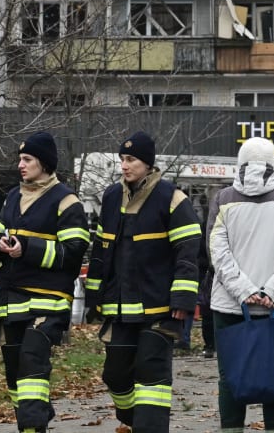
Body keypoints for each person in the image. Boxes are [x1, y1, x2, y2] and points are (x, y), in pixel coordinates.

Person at [85, 131, 203, 433]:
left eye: (131, 160)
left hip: (159, 306)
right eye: (122, 159)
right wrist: (94, 298)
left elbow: (188, 254)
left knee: (152, 379)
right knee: (115, 375)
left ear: (147, 164)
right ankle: (133, 420)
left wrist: (182, 301)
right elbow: (101, 251)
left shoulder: (172, 199)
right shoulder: (111, 197)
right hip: (120, 307)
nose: (124, 166)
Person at [0, 132, 90, 433]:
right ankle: (35, 415)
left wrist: (26, 248)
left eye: (27, 159)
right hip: (12, 299)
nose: (20, 165)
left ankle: (32, 427)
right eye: (20, 159)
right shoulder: (14, 198)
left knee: (31, 361)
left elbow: (73, 253)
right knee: (15, 370)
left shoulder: (67, 202)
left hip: (49, 302)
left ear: (44, 162)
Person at [208, 138, 274, 433]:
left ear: (239, 162)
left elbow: (217, 252)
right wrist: (273, 292)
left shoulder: (222, 199)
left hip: (229, 304)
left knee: (230, 376)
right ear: (272, 163)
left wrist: (245, 291)